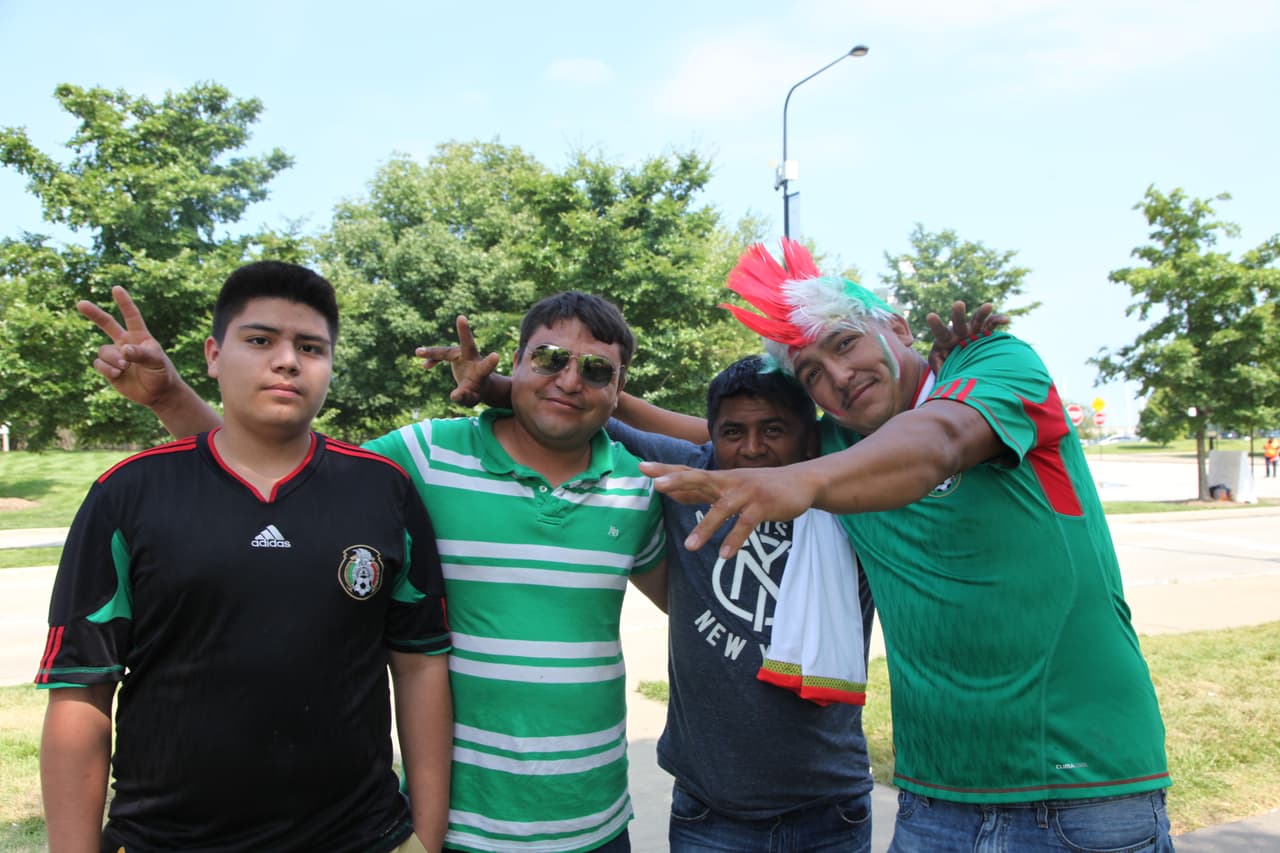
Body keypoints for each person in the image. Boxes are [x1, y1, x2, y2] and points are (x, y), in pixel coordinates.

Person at [80, 287, 668, 853]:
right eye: (549, 358)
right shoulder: (424, 456)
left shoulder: (640, 487)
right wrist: (167, 398)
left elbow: (688, 603)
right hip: (456, 824)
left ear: (618, 390)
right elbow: (275, 472)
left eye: (596, 371)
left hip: (595, 822)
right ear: (514, 364)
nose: (569, 380)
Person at [640, 239, 1174, 853]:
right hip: (933, 799)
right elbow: (715, 435)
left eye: (845, 343)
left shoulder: (999, 363)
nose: (838, 376)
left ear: (896, 327)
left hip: (1086, 793)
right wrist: (569, 396)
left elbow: (940, 438)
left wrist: (798, 481)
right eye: (811, 372)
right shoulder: (836, 443)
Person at [40, 261, 452, 853]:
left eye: (310, 347)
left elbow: (419, 665)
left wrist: (427, 836)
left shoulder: (383, 490)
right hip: (166, 839)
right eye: (260, 340)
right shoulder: (130, 492)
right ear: (212, 354)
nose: (287, 360)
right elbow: (82, 687)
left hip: (358, 837)